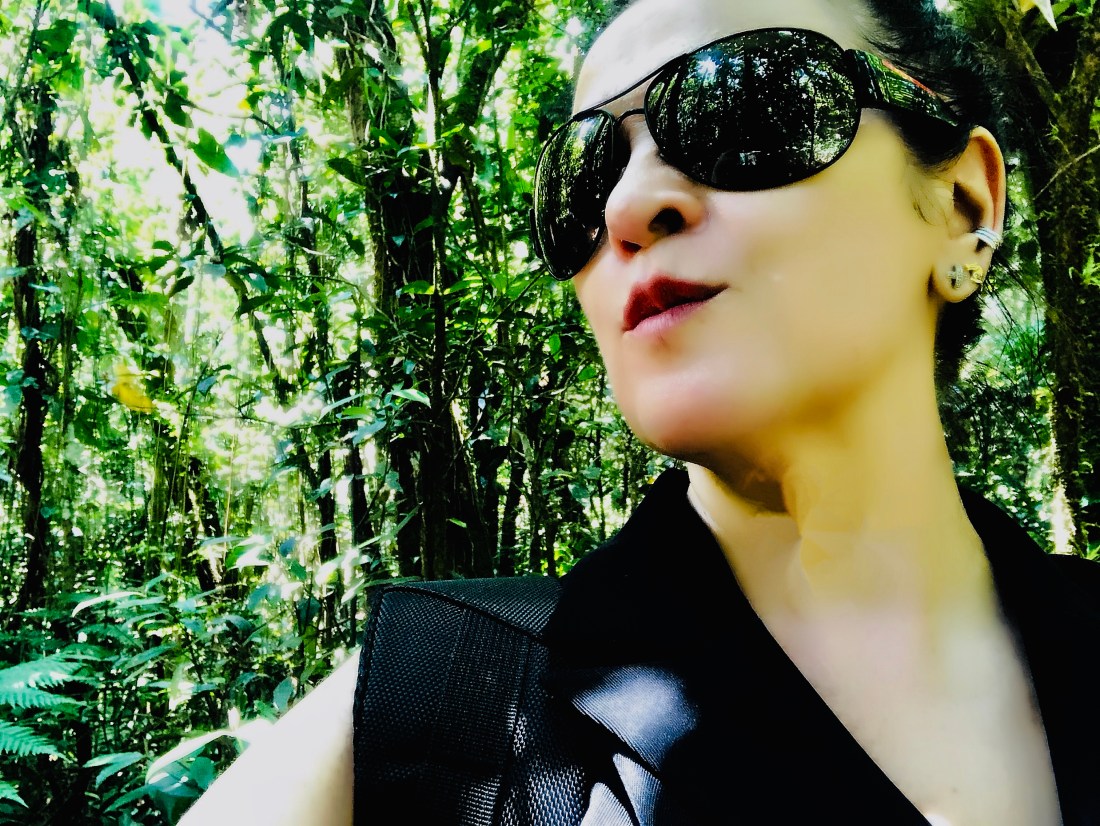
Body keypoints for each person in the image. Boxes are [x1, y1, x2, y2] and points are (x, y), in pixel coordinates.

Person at [180, 0, 1100, 823]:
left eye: (744, 112)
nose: (626, 205)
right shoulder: (437, 698)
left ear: (962, 205)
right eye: (582, 179)